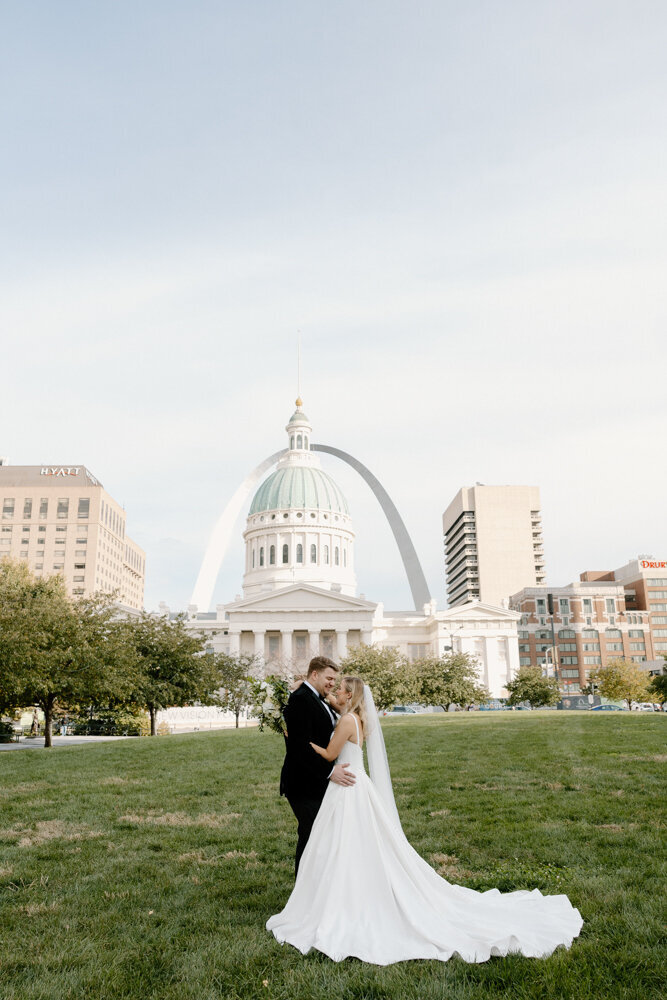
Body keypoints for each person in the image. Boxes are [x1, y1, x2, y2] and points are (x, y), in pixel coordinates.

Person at [267, 676, 583, 966]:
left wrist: (300, 741)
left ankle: (344, 897)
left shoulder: (347, 720)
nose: (335, 692)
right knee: (355, 841)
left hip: (346, 786)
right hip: (357, 783)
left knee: (343, 841)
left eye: (339, 690)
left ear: (350, 695)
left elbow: (328, 754)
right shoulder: (357, 719)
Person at [279, 656, 356, 876]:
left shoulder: (316, 697)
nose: (332, 683)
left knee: (318, 836)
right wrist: (331, 772)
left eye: (334, 680)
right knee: (311, 836)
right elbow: (299, 747)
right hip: (302, 782)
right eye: (329, 678)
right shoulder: (301, 699)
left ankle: (316, 887)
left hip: (316, 781)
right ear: (314, 674)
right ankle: (303, 888)